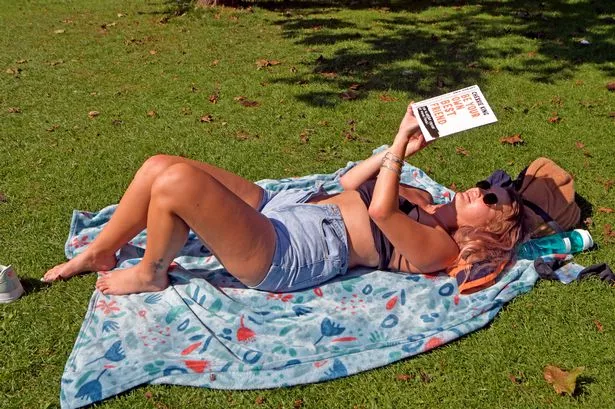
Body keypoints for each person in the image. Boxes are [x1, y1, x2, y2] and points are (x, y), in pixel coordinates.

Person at [43, 103, 526, 295]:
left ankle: (151, 274)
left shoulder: (439, 248)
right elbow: (349, 183)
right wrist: (393, 154)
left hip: (290, 253)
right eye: (489, 185)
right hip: (289, 209)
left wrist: (396, 148)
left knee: (176, 185)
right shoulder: (421, 193)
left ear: (485, 227)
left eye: (491, 197)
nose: (482, 188)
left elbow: (378, 211)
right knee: (158, 165)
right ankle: (102, 250)